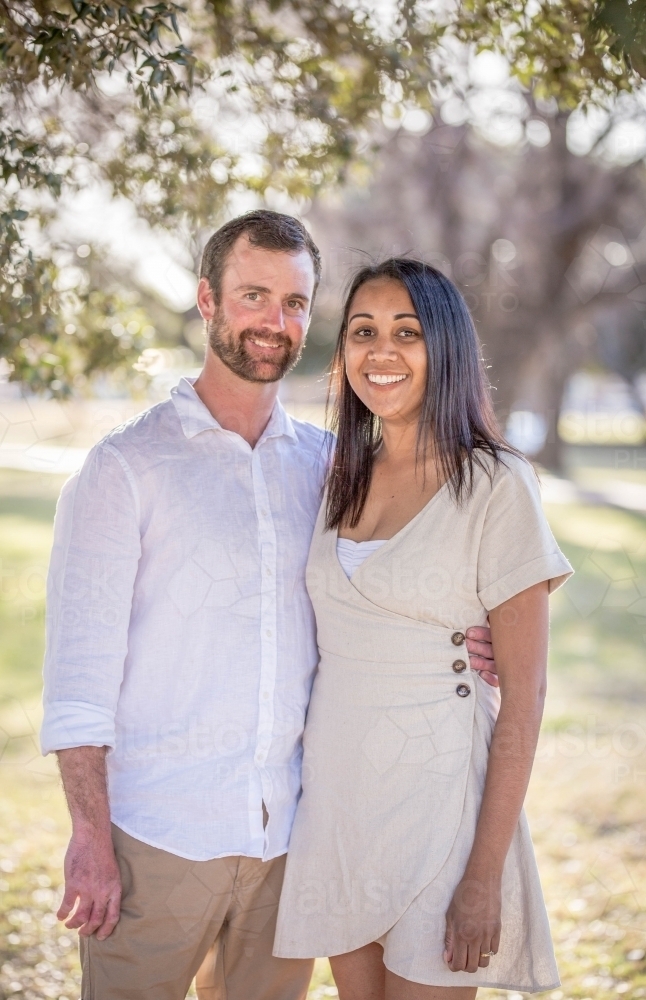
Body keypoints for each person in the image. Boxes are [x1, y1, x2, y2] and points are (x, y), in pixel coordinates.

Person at [40, 213, 497, 1000]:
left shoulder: (330, 470)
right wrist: (89, 835)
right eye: (254, 295)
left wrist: (469, 639)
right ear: (207, 302)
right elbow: (79, 680)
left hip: (292, 842)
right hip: (158, 838)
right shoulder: (126, 468)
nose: (275, 321)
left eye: (293, 302)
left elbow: (379, 603)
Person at [273, 259, 573, 999]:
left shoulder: (497, 483)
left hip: (442, 814)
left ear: (447, 348)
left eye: (407, 333)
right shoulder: (341, 472)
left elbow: (525, 697)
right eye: (363, 332)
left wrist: (484, 874)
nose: (381, 352)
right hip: (340, 808)